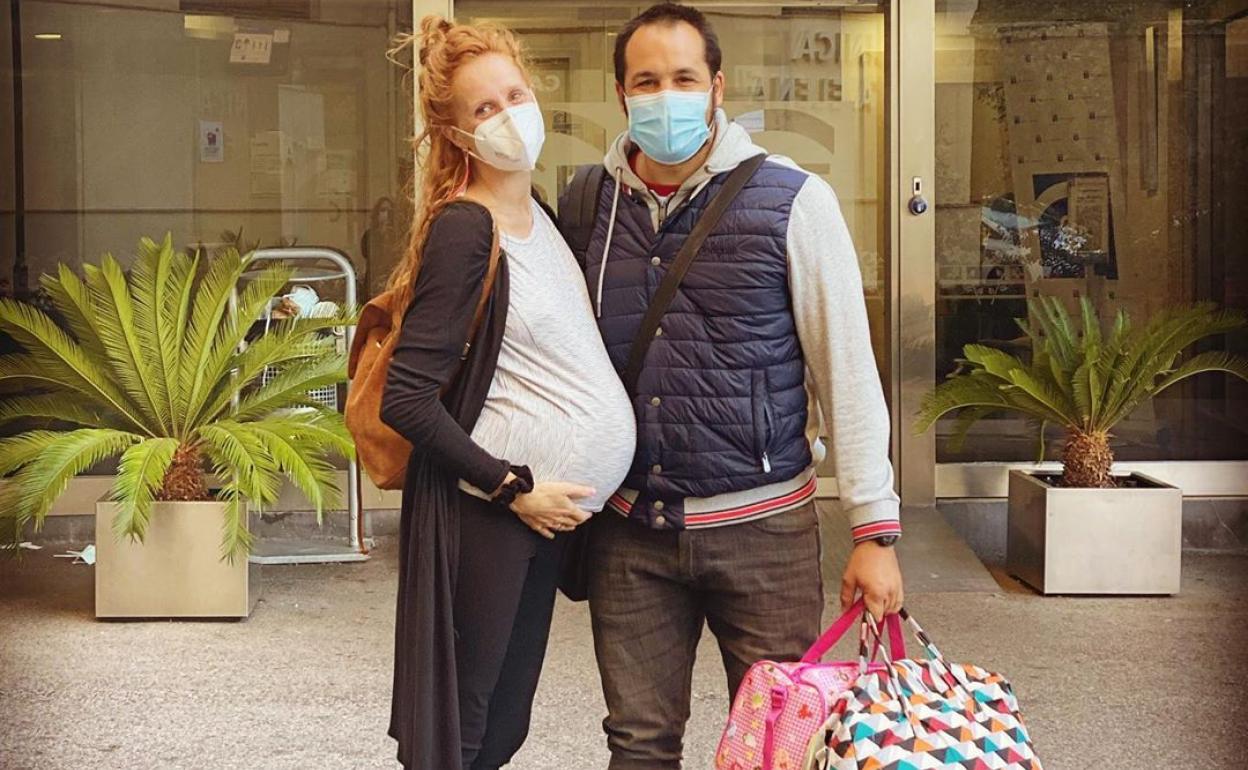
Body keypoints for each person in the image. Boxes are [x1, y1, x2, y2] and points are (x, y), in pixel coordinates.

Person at [556, 4, 906, 768]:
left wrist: (873, 531)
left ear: (718, 87)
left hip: (764, 532)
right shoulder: (588, 204)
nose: (666, 96)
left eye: (684, 78)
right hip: (632, 532)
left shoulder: (793, 200)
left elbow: (845, 367)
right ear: (621, 94)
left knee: (783, 744)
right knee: (638, 743)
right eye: (647, 80)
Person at [380, 16, 636, 770]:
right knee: (464, 727)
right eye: (483, 109)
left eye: (514, 95)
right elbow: (407, 397)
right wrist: (510, 487)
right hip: (492, 516)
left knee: (501, 723)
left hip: (540, 520)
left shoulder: (543, 219)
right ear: (457, 135)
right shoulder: (467, 228)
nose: (507, 117)